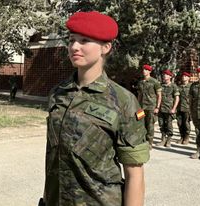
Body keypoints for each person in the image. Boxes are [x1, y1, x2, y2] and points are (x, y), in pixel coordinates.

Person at [42, 11, 150, 206]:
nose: (74, 46)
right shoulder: (59, 93)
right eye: (71, 40)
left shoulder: (123, 101)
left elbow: (135, 174)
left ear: (105, 48)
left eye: (84, 41)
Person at [138, 64, 162, 148]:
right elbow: (140, 95)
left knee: (150, 125)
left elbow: (159, 95)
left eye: (146, 70)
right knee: (141, 124)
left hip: (151, 107)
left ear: (150, 71)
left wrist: (157, 107)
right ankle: (142, 141)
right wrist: (138, 106)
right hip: (141, 107)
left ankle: (149, 143)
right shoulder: (140, 82)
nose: (144, 71)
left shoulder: (155, 82)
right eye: (143, 70)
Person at [157, 69, 179, 147]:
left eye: (166, 75)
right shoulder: (161, 85)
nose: (164, 76)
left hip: (169, 109)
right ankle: (163, 139)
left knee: (169, 125)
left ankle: (169, 140)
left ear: (170, 76)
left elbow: (177, 98)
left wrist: (174, 108)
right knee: (161, 124)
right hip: (161, 108)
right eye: (164, 75)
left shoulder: (173, 86)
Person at [177, 72, 192, 144]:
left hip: (187, 107)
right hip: (179, 108)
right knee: (180, 123)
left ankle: (186, 137)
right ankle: (182, 136)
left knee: (186, 123)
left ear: (188, 78)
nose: (184, 77)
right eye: (183, 76)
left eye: (186, 76)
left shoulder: (191, 87)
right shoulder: (179, 87)